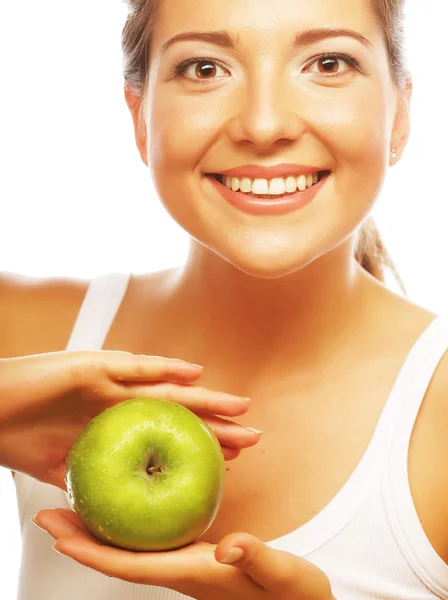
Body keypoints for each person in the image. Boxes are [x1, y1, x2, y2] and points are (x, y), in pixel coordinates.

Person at [1, 0, 448, 597]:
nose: (263, 125)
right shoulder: (24, 333)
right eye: (205, 69)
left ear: (399, 116)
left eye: (328, 62)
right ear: (140, 117)